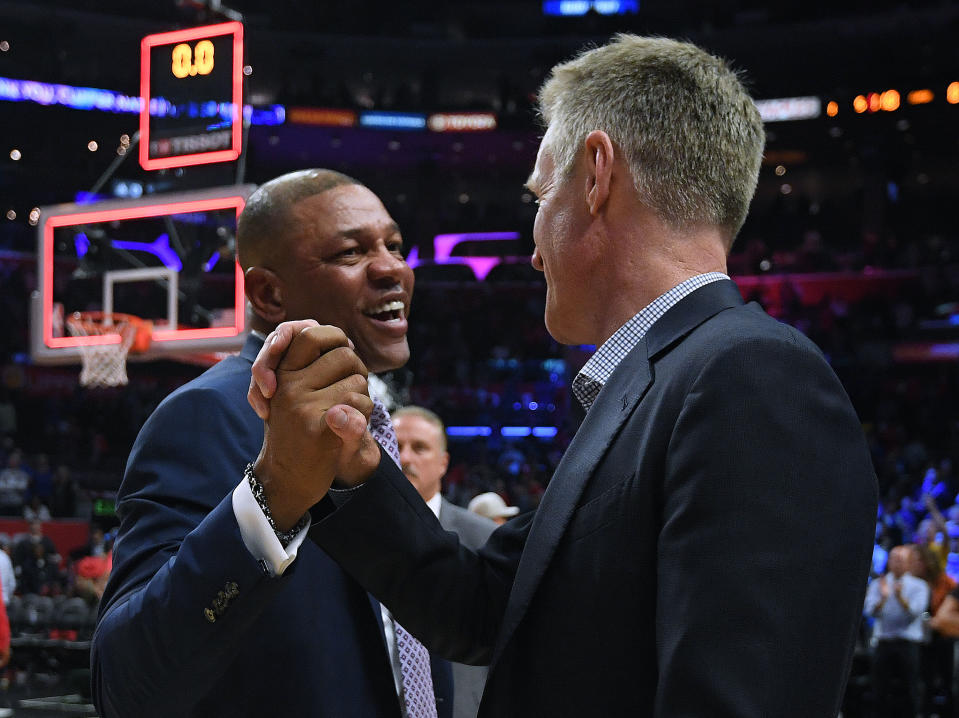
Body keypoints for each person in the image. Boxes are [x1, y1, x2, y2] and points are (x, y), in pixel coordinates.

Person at [251, 36, 878, 716]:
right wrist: (347, 460)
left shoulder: (750, 375)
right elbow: (478, 608)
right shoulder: (653, 389)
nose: (532, 249)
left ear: (594, 174)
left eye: (537, 196)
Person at [91, 169, 452, 717]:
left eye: (395, 245)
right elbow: (123, 684)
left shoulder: (376, 416)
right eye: (351, 253)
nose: (391, 268)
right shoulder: (206, 414)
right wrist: (269, 502)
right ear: (268, 293)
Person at [393, 406, 498, 718]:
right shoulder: (351, 537)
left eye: (419, 448)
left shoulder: (485, 539)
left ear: (443, 463)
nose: (406, 458)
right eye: (394, 447)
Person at [865, 545, 930, 718]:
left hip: (907, 643)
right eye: (894, 559)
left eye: (901, 560)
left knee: (911, 686)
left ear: (908, 563)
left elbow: (916, 613)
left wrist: (900, 597)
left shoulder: (919, 586)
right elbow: (869, 611)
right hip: (884, 641)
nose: (897, 563)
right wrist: (884, 598)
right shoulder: (879, 584)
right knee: (879, 688)